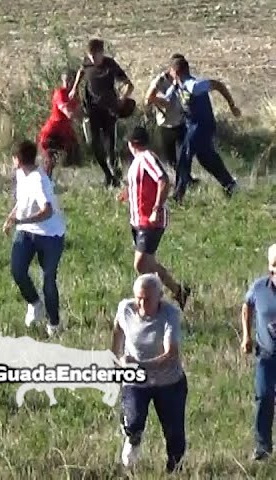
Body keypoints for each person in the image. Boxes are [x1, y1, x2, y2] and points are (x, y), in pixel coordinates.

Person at [111, 273, 187, 473]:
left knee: (174, 434)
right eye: (139, 298)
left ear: (160, 297)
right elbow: (118, 328)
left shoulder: (169, 314)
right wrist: (115, 358)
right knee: (134, 422)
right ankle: (131, 435)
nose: (142, 304)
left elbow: (170, 354)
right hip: (136, 381)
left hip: (168, 382)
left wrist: (139, 363)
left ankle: (175, 469)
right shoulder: (126, 308)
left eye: (147, 300)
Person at [121, 126, 190, 308]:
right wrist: (128, 192)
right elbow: (145, 184)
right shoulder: (137, 161)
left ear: (131, 143)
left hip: (150, 220)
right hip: (137, 220)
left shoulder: (146, 158)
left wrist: (156, 208)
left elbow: (163, 179)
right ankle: (177, 291)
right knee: (148, 263)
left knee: (141, 263)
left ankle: (154, 298)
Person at [3, 140, 67, 337]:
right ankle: (34, 303)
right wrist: (11, 218)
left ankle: (54, 324)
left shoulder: (39, 180)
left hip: (50, 234)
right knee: (17, 270)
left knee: (48, 278)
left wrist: (22, 220)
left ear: (18, 160)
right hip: (26, 231)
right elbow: (22, 201)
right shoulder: (21, 174)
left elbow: (46, 211)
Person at [163, 55, 241, 201]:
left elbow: (218, 85)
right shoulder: (176, 85)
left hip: (203, 125)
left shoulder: (194, 85)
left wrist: (232, 105)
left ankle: (178, 195)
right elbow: (166, 101)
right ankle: (230, 185)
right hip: (191, 125)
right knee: (206, 158)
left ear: (176, 72)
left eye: (171, 71)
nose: (169, 73)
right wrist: (152, 99)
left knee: (184, 156)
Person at [70, 38, 133, 187]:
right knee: (93, 143)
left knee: (110, 144)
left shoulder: (110, 65)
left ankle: (115, 173)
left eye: (95, 56)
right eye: (90, 56)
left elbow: (128, 84)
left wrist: (122, 99)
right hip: (92, 109)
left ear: (101, 53)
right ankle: (107, 174)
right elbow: (81, 71)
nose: (93, 59)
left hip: (109, 109)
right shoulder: (87, 62)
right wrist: (74, 87)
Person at [242, 243, 276, 461]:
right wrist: (246, 335)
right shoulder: (259, 288)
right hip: (266, 356)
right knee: (263, 397)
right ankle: (263, 448)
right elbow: (247, 306)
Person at [144, 54, 195, 186]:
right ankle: (181, 181)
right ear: (171, 69)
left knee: (184, 154)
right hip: (165, 125)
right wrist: (162, 102)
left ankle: (185, 180)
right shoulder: (160, 80)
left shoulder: (185, 79)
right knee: (170, 158)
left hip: (181, 122)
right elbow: (148, 98)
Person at [37, 70, 81, 178]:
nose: (67, 84)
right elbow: (68, 113)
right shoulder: (60, 93)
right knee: (49, 161)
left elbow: (79, 113)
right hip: (52, 132)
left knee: (75, 155)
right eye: (66, 80)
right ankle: (44, 180)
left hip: (64, 132)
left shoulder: (74, 96)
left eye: (70, 80)